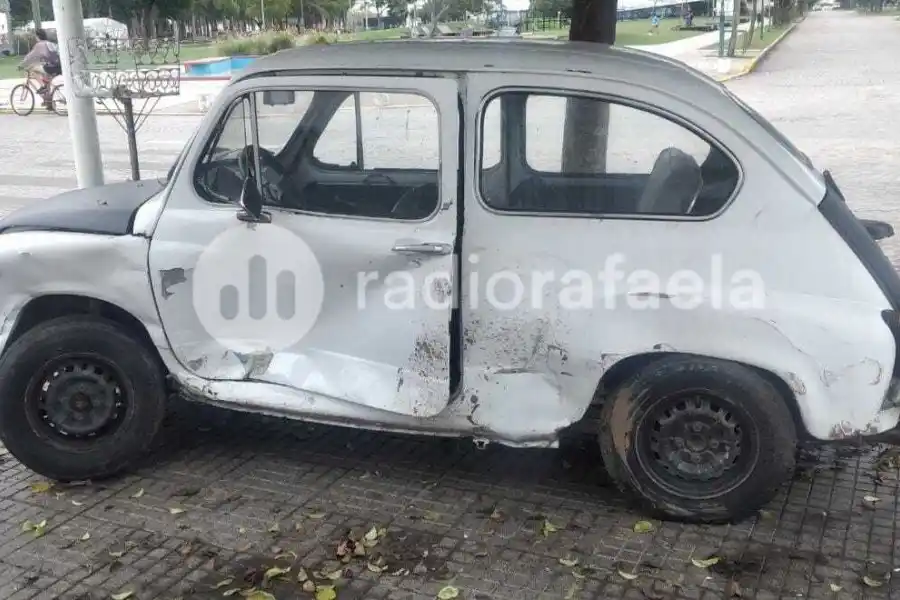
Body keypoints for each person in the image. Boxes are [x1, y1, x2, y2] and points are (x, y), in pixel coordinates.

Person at [18, 28, 61, 109]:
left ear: (37, 36)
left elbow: (30, 56)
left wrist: (21, 65)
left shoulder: (40, 45)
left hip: (52, 66)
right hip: (59, 66)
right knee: (46, 79)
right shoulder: (49, 43)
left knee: (33, 69)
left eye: (35, 36)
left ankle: (43, 87)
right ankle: (49, 103)